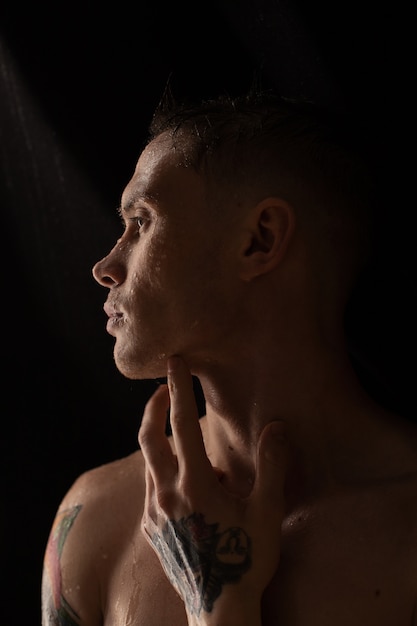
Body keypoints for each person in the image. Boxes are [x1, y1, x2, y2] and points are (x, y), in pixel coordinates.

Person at [41, 90, 417, 626]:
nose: (105, 265)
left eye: (142, 221)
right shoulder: (96, 515)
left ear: (259, 240)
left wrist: (216, 604)